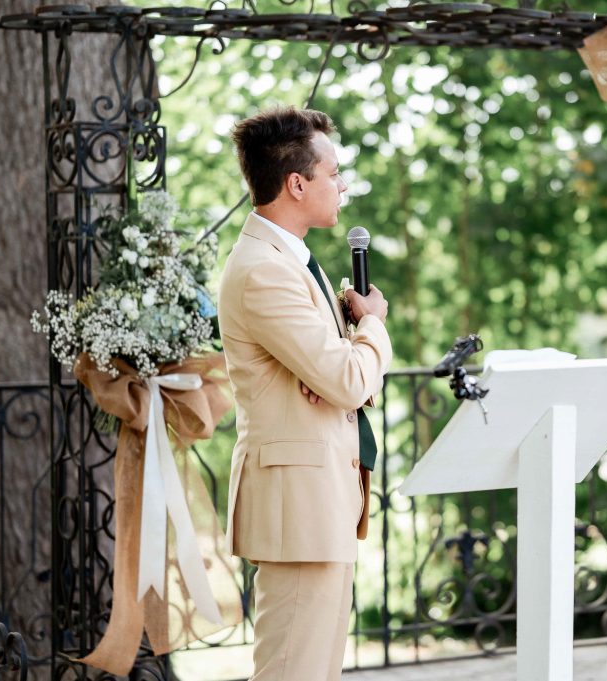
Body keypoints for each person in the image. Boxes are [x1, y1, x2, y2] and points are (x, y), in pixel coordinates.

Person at [219, 107, 392, 681]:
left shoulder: (292, 261)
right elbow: (346, 380)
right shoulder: (263, 270)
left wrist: (343, 351)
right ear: (297, 184)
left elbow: (335, 379)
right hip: (298, 507)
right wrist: (371, 326)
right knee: (292, 670)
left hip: (321, 501)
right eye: (334, 173)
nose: (342, 185)